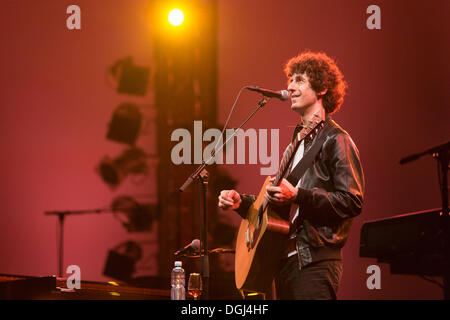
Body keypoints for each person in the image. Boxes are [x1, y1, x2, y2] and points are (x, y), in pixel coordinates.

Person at [218, 51, 364, 300]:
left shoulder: (336, 139)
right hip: (283, 263)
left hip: (313, 262)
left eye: (299, 80)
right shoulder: (296, 144)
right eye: (290, 80)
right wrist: (241, 202)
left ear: (322, 88)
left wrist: (298, 194)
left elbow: (352, 200)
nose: (290, 86)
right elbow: (275, 209)